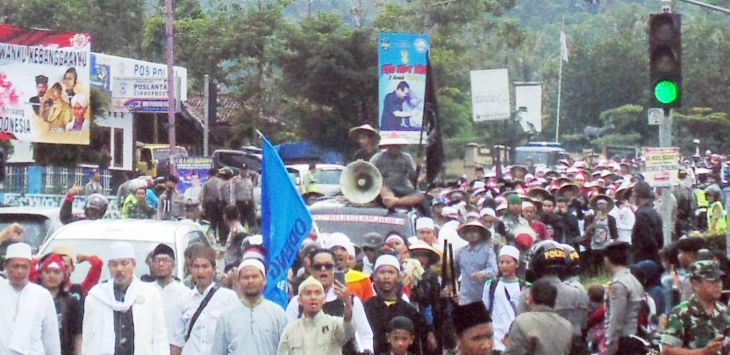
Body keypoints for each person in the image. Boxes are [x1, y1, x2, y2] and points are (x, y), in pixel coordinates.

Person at [82, 241, 169, 355]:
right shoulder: (97, 297)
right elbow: (88, 340)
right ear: (109, 267)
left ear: (133, 264)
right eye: (114, 264)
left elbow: (160, 337)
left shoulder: (150, 294)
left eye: (124, 263)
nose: (119, 269)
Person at [286, 248, 374, 354]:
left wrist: (367, 350)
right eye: (318, 267)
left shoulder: (351, 300)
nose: (323, 270)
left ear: (335, 269)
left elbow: (365, 335)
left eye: (328, 266)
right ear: (311, 270)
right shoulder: (298, 302)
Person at [211, 258, 289, 355]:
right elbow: (218, 351)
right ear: (239, 282)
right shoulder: (226, 316)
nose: (250, 281)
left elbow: (287, 350)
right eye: (246, 277)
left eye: (255, 276)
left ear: (264, 280)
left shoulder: (278, 314)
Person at [172, 245, 239, 355]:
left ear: (213, 269)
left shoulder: (228, 298)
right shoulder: (183, 300)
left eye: (205, 266)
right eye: (196, 267)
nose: (200, 271)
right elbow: (177, 342)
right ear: (191, 270)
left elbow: (236, 337)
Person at [364, 254, 433, 354]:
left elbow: (417, 345)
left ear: (399, 276)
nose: (386, 277)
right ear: (375, 276)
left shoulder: (410, 311)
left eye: (391, 272)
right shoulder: (366, 308)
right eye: (382, 272)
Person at [0, 243, 61, 355]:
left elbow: (51, 339)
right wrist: (5, 235)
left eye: (24, 267)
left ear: (30, 268)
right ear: (6, 267)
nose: (20, 271)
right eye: (15, 266)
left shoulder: (42, 295)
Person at [661, 259, 730, 354]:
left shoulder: (724, 311)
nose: (718, 285)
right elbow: (667, 350)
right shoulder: (682, 312)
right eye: (712, 281)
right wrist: (703, 352)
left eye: (719, 280)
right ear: (696, 284)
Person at [278, 276, 356, 355]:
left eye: (317, 293)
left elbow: (349, 332)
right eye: (308, 293)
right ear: (299, 300)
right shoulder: (290, 330)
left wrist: (348, 304)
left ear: (324, 299)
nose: (313, 297)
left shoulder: (334, 324)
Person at [481, 246, 529, 354]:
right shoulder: (490, 285)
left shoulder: (526, 287)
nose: (504, 266)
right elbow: (484, 311)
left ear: (517, 264)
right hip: (495, 340)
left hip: (516, 340)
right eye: (501, 262)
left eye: (508, 262)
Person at [37, 253, 83, 355]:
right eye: (47, 271)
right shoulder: (32, 300)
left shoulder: (71, 301)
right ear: (40, 274)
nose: (52, 276)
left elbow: (77, 334)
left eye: (56, 272)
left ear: (63, 275)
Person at [146, 244, 191, 349]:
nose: (161, 264)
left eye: (165, 260)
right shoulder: (145, 291)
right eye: (157, 260)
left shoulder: (185, 294)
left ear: (173, 264)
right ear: (152, 263)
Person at [603, 241, 644, 355]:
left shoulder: (618, 285)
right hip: (635, 337)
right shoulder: (633, 280)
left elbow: (616, 319)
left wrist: (610, 347)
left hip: (623, 342)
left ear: (607, 259)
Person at [370, 135, 425, 211]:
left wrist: (419, 168)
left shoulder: (406, 157)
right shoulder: (377, 158)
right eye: (392, 146)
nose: (394, 148)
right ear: (387, 146)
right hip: (385, 187)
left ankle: (396, 202)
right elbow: (369, 171)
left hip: (403, 187)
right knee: (384, 189)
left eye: (397, 146)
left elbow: (413, 177)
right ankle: (391, 200)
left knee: (420, 196)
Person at [455, 221, 498, 305]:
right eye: (469, 231)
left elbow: (494, 270)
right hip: (465, 295)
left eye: (475, 231)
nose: (471, 234)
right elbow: (453, 272)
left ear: (481, 234)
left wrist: (482, 273)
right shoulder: (460, 252)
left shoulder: (488, 251)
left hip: (483, 295)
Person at [327, 233, 376, 302]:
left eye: (343, 249)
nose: (339, 253)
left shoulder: (362, 279)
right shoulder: (320, 277)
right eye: (334, 248)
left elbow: (371, 306)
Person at [631, 181, 663, 263]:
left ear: (638, 196)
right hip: (654, 257)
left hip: (644, 258)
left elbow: (647, 239)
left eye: (634, 193)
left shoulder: (642, 214)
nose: (632, 196)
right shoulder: (654, 212)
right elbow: (660, 238)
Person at [228, 163, 258, 232]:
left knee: (252, 222)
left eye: (245, 170)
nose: (244, 171)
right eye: (242, 170)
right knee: (240, 222)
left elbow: (251, 192)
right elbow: (232, 193)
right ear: (239, 170)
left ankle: (253, 235)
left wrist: (254, 204)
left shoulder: (249, 179)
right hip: (240, 203)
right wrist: (233, 204)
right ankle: (240, 236)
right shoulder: (235, 180)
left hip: (249, 203)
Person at [201, 167, 224, 237]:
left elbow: (203, 196)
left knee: (211, 222)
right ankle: (222, 237)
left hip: (210, 204)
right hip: (220, 203)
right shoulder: (221, 181)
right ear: (217, 173)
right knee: (221, 222)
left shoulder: (206, 183)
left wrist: (203, 207)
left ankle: (211, 237)